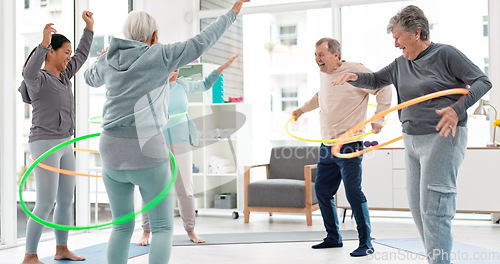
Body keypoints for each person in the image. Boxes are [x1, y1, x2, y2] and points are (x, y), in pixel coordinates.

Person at [83, 1, 248, 263]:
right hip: (146, 149)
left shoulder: (110, 58)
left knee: (121, 226)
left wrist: (101, 58)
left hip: (111, 148)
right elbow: (202, 40)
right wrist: (233, 12)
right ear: (155, 36)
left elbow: (89, 78)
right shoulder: (160, 55)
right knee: (161, 228)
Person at [332, 5, 491, 264]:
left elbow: (483, 81)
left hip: (442, 137)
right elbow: (374, 81)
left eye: (398, 37)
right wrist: (353, 77)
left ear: (416, 33)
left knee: (435, 210)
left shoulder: (445, 54)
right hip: (411, 140)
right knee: (419, 211)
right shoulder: (399, 64)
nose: (395, 44)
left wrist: (456, 108)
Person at [292, 38, 392, 257]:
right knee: (322, 191)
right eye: (315, 54)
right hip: (327, 144)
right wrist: (302, 110)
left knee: (353, 192)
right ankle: (333, 237)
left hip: (349, 143)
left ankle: (366, 243)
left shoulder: (355, 71)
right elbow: (322, 97)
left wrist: (379, 118)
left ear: (335, 54)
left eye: (322, 54)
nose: (317, 59)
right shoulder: (324, 74)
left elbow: (383, 87)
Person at [18, 11, 94, 264]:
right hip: (45, 143)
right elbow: (28, 71)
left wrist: (89, 28)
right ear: (51, 52)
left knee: (65, 200)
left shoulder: (64, 76)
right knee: (46, 202)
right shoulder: (38, 79)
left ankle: (62, 248)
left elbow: (82, 55)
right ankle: (30, 255)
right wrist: (42, 43)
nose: (69, 57)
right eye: (65, 52)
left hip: (65, 143)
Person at [137, 55, 238, 245]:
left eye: (176, 69)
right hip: (157, 141)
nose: (174, 73)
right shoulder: (152, 88)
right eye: (170, 70)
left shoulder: (183, 85)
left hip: (182, 141)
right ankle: (146, 231)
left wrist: (220, 69)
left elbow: (205, 84)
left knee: (185, 188)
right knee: (151, 189)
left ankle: (190, 230)